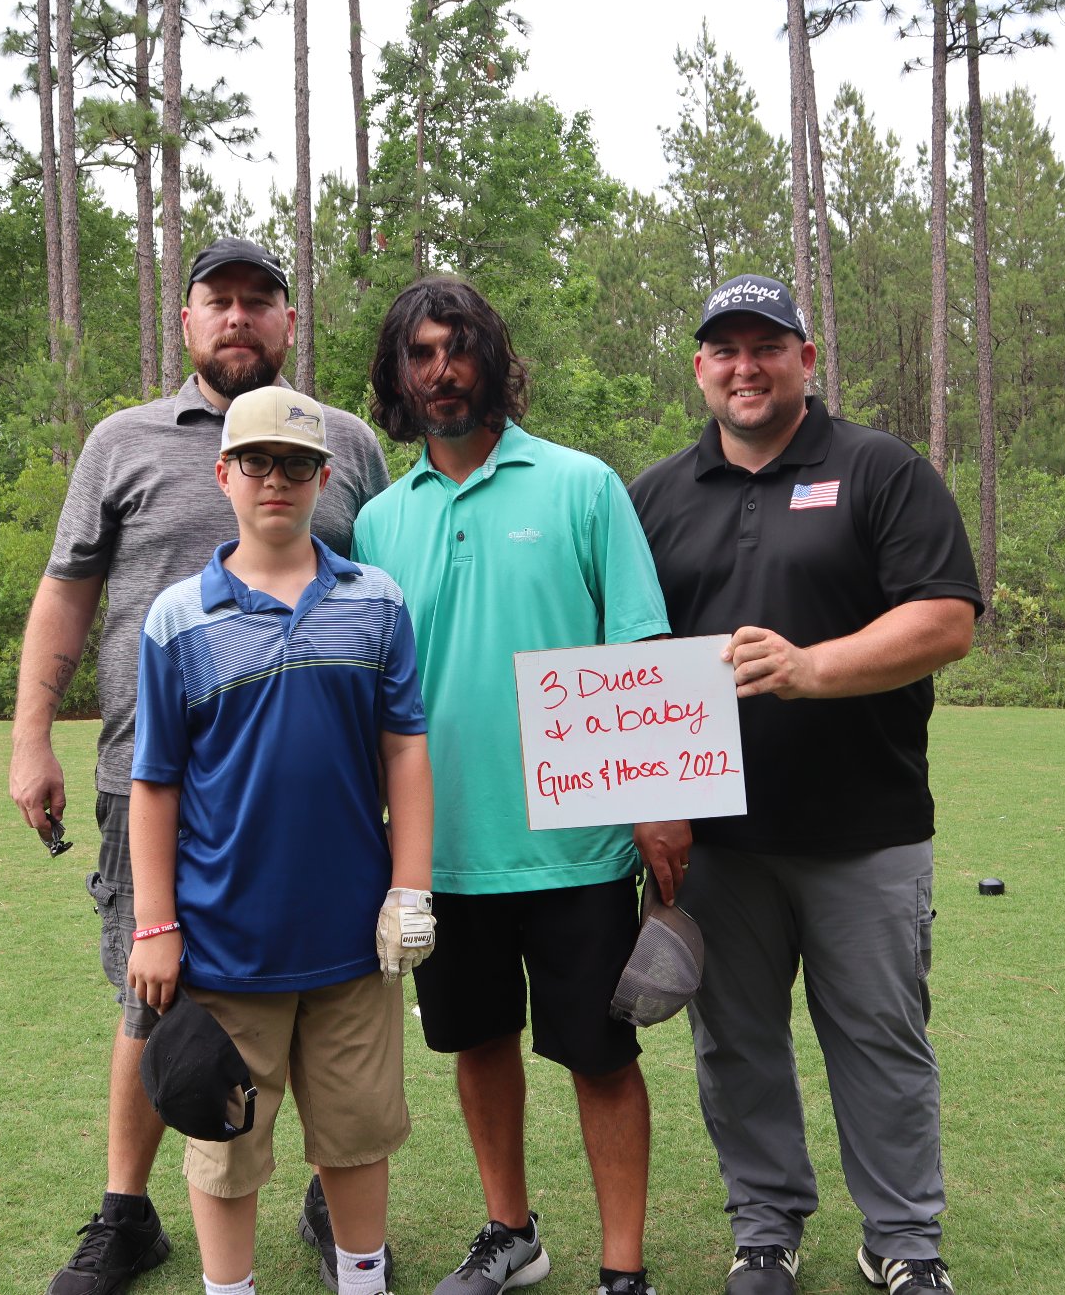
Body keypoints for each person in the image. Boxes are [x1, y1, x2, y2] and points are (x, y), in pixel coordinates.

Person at [9, 239, 390, 1295]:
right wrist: (30, 736)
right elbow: (66, 591)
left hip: (315, 789)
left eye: (259, 300)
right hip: (151, 775)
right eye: (216, 300)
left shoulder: (346, 444)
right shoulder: (122, 441)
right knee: (154, 992)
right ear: (185, 322)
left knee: (326, 992)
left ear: (288, 322)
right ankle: (126, 1214)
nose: (238, 316)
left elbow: (378, 594)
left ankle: (331, 1201)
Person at [625, 274, 981, 1295]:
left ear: (804, 359)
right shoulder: (652, 496)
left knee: (879, 1041)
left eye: (766, 346)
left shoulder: (880, 470)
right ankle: (764, 1231)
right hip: (714, 844)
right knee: (735, 1045)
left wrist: (810, 667)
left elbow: (945, 618)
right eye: (725, 350)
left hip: (864, 829)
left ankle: (902, 1241)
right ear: (699, 367)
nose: (745, 367)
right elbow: (622, 653)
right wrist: (650, 801)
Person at [350, 276, 672, 1295]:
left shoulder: (582, 486)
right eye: (420, 353)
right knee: (478, 1045)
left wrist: (657, 806)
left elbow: (638, 649)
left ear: (491, 359)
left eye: (458, 348)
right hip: (441, 849)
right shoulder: (377, 523)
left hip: (578, 843)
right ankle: (510, 1233)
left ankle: (622, 1268)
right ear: (397, 375)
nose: (441, 370)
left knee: (601, 1057)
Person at [124, 383, 435, 1295]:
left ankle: (364, 1279)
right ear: (223, 473)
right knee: (225, 1141)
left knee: (357, 1131)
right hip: (225, 944)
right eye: (256, 461)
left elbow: (405, 749)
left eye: (296, 464)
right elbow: (156, 782)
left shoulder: (376, 601)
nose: (276, 479)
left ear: (324, 479)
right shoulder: (179, 616)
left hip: (353, 939)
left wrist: (410, 886)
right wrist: (155, 924)